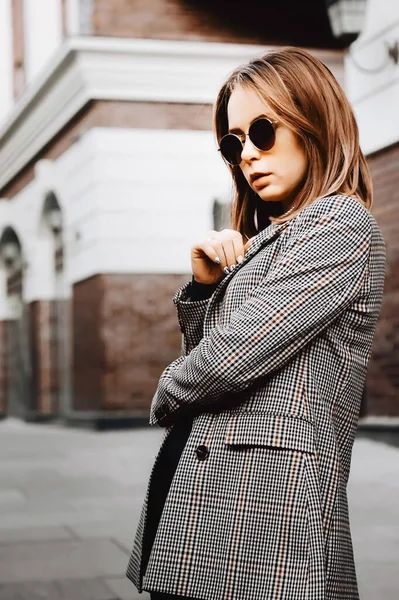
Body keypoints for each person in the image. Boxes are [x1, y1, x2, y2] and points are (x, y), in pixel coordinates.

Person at [126, 47, 386, 600]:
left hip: (266, 527)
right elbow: (213, 347)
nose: (245, 154)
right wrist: (203, 286)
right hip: (205, 508)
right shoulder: (272, 237)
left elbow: (228, 360)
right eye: (232, 141)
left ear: (314, 123)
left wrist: (168, 391)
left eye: (262, 131)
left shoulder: (338, 225)